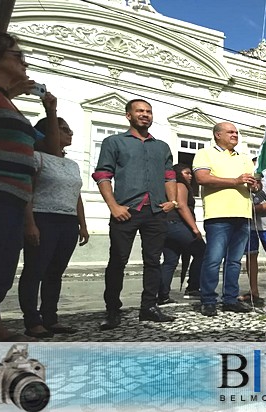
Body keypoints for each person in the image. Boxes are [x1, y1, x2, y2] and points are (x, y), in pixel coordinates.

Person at [0, 30, 59, 341]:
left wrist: (50, 111)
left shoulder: (6, 103)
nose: (25, 63)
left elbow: (50, 148)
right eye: (18, 56)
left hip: (12, 201)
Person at [92, 99, 177, 330]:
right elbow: (102, 175)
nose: (145, 115)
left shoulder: (161, 147)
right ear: (128, 115)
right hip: (126, 210)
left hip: (156, 210)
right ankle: (112, 310)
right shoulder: (114, 142)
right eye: (140, 111)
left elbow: (170, 176)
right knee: (118, 260)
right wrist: (113, 206)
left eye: (149, 112)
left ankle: (148, 307)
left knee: (153, 261)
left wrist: (173, 202)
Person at [18, 117, 89, 339]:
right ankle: (32, 321)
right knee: (35, 270)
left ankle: (50, 317)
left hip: (67, 221)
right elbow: (26, 191)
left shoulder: (72, 164)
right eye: (63, 129)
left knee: (55, 272)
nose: (70, 133)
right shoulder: (36, 158)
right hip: (42, 218)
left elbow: (76, 195)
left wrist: (82, 225)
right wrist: (30, 223)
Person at [193, 122, 259, 316]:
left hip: (243, 213)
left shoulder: (245, 159)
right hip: (218, 214)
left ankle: (230, 299)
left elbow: (254, 186)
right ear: (217, 135)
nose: (235, 135)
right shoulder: (205, 153)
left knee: (235, 261)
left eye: (236, 132)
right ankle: (208, 300)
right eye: (230, 132)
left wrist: (255, 185)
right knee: (213, 259)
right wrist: (235, 181)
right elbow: (202, 179)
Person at [158, 163, 205, 304]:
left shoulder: (169, 185)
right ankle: (193, 287)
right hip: (177, 224)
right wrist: (195, 229)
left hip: (166, 226)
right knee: (202, 251)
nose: (190, 176)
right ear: (178, 173)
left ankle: (162, 295)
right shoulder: (180, 185)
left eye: (191, 173)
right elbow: (182, 206)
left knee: (170, 260)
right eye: (187, 173)